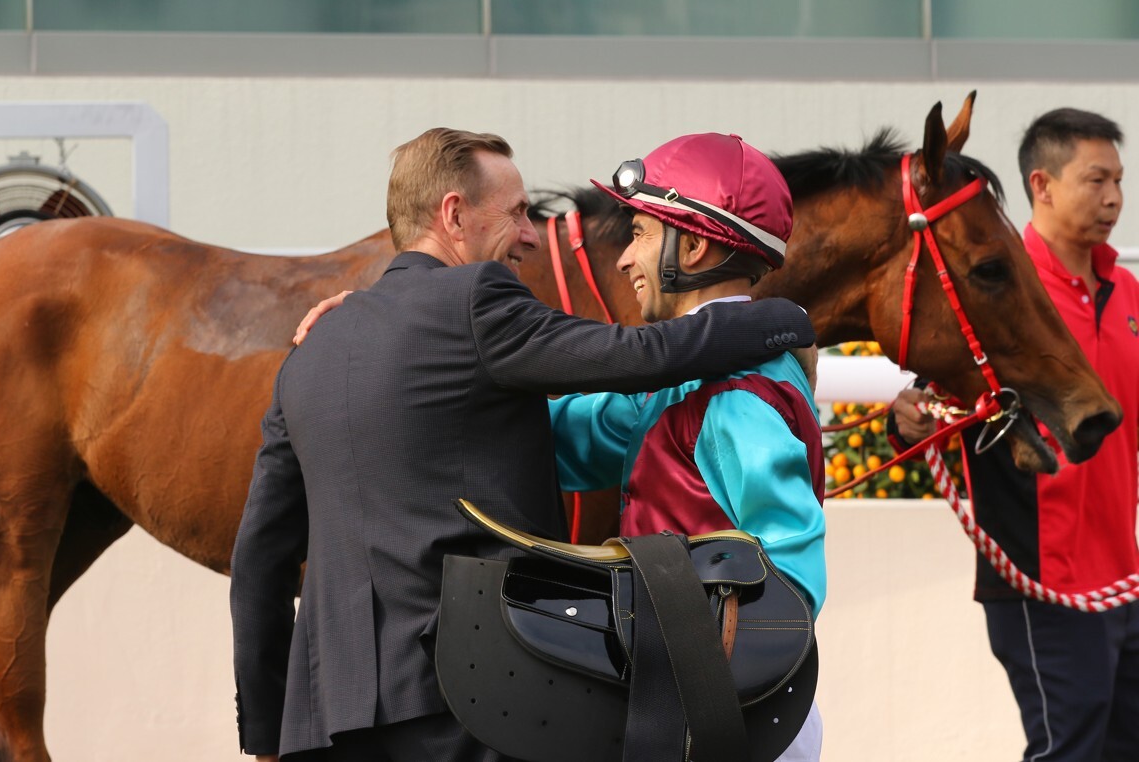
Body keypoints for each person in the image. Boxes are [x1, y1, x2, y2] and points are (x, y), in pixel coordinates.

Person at [230, 127, 817, 761]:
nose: (535, 235)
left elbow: (259, 562)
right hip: (477, 708)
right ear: (454, 215)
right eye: (517, 214)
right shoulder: (476, 301)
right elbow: (637, 358)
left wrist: (266, 736)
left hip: (326, 723)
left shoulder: (312, 349)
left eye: (639, 233)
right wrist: (791, 318)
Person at [546, 133, 827, 761]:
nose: (623, 260)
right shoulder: (682, 382)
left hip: (734, 721)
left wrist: (707, 711)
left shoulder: (736, 399)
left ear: (693, 246)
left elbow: (791, 585)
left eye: (641, 234)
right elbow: (570, 436)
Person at [890, 108, 1138, 762]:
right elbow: (925, 411)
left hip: (1123, 576)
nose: (1113, 197)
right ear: (1043, 184)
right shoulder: (987, 293)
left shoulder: (1130, 295)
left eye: (1119, 180)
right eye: (1096, 180)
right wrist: (906, 417)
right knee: (1070, 747)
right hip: (1039, 579)